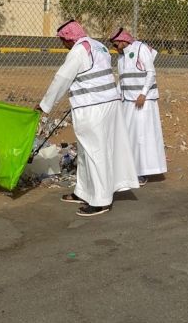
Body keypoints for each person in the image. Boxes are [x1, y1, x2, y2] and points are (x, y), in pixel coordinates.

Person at [36, 20, 139, 217]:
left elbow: (62, 79)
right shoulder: (98, 45)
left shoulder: (78, 50)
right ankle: (83, 192)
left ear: (69, 38)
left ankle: (101, 200)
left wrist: (45, 105)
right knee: (85, 152)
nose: (63, 45)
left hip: (93, 109)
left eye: (63, 41)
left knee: (95, 153)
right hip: (108, 105)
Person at [109, 27, 166, 184]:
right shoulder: (121, 58)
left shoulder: (141, 48)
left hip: (143, 101)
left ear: (123, 41)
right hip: (128, 101)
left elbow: (151, 72)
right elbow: (123, 80)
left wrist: (143, 93)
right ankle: (130, 169)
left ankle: (142, 172)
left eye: (115, 44)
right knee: (129, 135)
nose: (114, 48)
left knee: (142, 136)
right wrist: (115, 97)